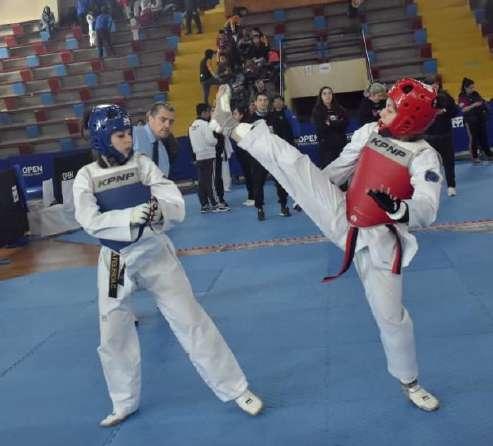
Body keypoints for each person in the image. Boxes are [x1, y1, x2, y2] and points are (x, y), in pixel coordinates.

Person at [211, 79, 443, 413]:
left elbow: (427, 207)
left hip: (381, 241)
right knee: (294, 163)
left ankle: (410, 382)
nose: (382, 110)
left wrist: (399, 208)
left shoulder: (424, 156)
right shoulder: (369, 132)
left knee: (392, 318)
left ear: (410, 119)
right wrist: (312, 188)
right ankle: (231, 126)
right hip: (342, 214)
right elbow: (341, 167)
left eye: (391, 108)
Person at [73, 104, 262, 427]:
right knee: (113, 333)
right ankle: (123, 401)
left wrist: (160, 211)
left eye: (129, 134)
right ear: (103, 139)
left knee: (191, 319)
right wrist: (128, 218)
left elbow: (170, 197)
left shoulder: (142, 164)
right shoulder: (86, 176)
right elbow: (89, 220)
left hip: (153, 251)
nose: (128, 140)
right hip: (116, 260)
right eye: (120, 136)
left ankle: (236, 388)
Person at [249, 93, 290, 220]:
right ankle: (260, 208)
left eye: (265, 100)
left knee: (281, 181)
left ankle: (283, 205)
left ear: (268, 102)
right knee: (258, 183)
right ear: (255, 103)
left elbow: (283, 136)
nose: (263, 102)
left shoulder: (275, 117)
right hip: (259, 157)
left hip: (275, 155)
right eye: (260, 100)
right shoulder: (250, 120)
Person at [189, 103, 230, 212]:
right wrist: (216, 141)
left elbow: (191, 143)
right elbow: (211, 140)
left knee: (202, 181)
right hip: (209, 155)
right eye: (208, 111)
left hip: (199, 156)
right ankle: (216, 203)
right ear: (204, 112)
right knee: (212, 181)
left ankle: (204, 204)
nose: (209, 114)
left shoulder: (192, 125)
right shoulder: (205, 124)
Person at [424, 75, 459, 196]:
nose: (435, 86)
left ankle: (451, 186)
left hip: (445, 135)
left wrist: (444, 111)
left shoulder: (446, 96)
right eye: (432, 83)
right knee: (430, 164)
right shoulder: (421, 98)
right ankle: (432, 188)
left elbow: (455, 111)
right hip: (429, 137)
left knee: (449, 162)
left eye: (437, 83)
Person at [133, 102, 175, 177]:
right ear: (150, 118)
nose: (167, 125)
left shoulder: (163, 153)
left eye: (171, 122)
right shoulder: (133, 134)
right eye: (163, 119)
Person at [311, 86, 349, 168]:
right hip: (327, 147)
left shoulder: (340, 108)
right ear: (321, 96)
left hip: (341, 144)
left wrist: (330, 123)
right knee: (329, 169)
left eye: (329, 93)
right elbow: (321, 127)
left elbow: (345, 123)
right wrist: (337, 123)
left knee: (343, 169)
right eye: (324, 94)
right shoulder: (317, 111)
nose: (327, 96)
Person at [458, 77, 492, 164]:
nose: (473, 89)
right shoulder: (462, 96)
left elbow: (481, 102)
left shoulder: (475, 93)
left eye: (473, 87)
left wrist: (482, 105)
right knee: (474, 138)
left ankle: (488, 154)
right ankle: (475, 157)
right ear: (465, 87)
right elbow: (463, 109)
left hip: (480, 118)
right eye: (471, 88)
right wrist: (474, 105)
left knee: (483, 137)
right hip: (470, 121)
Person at [231, 105, 255, 206]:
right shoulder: (235, 126)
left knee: (250, 175)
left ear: (241, 115)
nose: (233, 116)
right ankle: (252, 196)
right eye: (233, 114)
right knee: (247, 175)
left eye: (235, 114)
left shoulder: (244, 126)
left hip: (247, 154)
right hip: (240, 154)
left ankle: (253, 197)